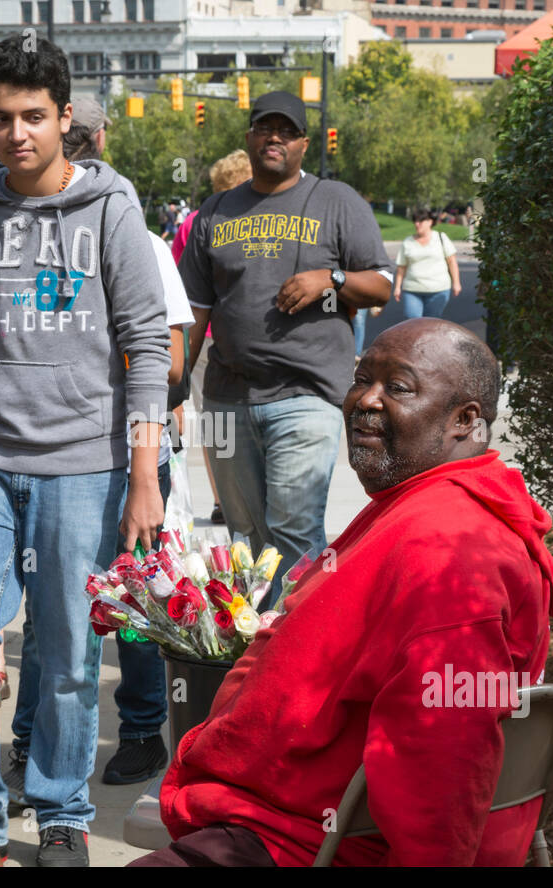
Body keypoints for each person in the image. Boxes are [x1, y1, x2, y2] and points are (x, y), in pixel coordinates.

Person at [129, 319, 553, 867]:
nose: (366, 401)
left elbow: (444, 763)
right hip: (267, 817)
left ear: (465, 420)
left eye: (398, 387)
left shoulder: (448, 558)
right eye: (362, 379)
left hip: (298, 844)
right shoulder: (423, 504)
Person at [0, 36, 170, 866]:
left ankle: (60, 808)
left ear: (63, 118)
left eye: (33, 116)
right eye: (0, 118)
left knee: (64, 650)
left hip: (84, 464)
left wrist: (143, 476)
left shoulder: (111, 208)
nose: (16, 132)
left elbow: (147, 346)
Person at [4, 102, 192, 801]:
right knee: (51, 614)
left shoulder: (131, 237)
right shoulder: (10, 241)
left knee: (131, 604)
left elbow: (169, 361)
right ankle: (33, 741)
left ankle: (142, 730)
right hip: (45, 456)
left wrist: (89, 357)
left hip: (129, 453)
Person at [178, 91, 393, 602]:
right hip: (227, 398)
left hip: (307, 394)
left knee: (293, 533)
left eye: (286, 131)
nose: (274, 137)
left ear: (303, 143)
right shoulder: (216, 211)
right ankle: (256, 659)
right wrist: (173, 386)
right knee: (245, 540)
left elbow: (382, 282)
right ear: (249, 138)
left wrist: (332, 278)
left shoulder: (336, 200)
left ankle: (302, 657)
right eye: (263, 128)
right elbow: (193, 310)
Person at [172, 149, 252, 526]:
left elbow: (176, 283)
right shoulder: (247, 221)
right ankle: (235, 495)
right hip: (224, 336)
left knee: (212, 421)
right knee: (229, 419)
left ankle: (224, 498)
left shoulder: (193, 222)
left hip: (201, 336)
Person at [394, 207, 462, 320]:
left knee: (431, 324)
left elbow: (452, 262)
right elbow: (401, 267)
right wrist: (397, 287)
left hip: (438, 289)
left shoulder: (441, 237)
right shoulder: (408, 242)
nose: (417, 224)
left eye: (420, 221)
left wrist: (456, 283)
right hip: (412, 290)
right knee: (413, 323)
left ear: (430, 222)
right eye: (415, 221)